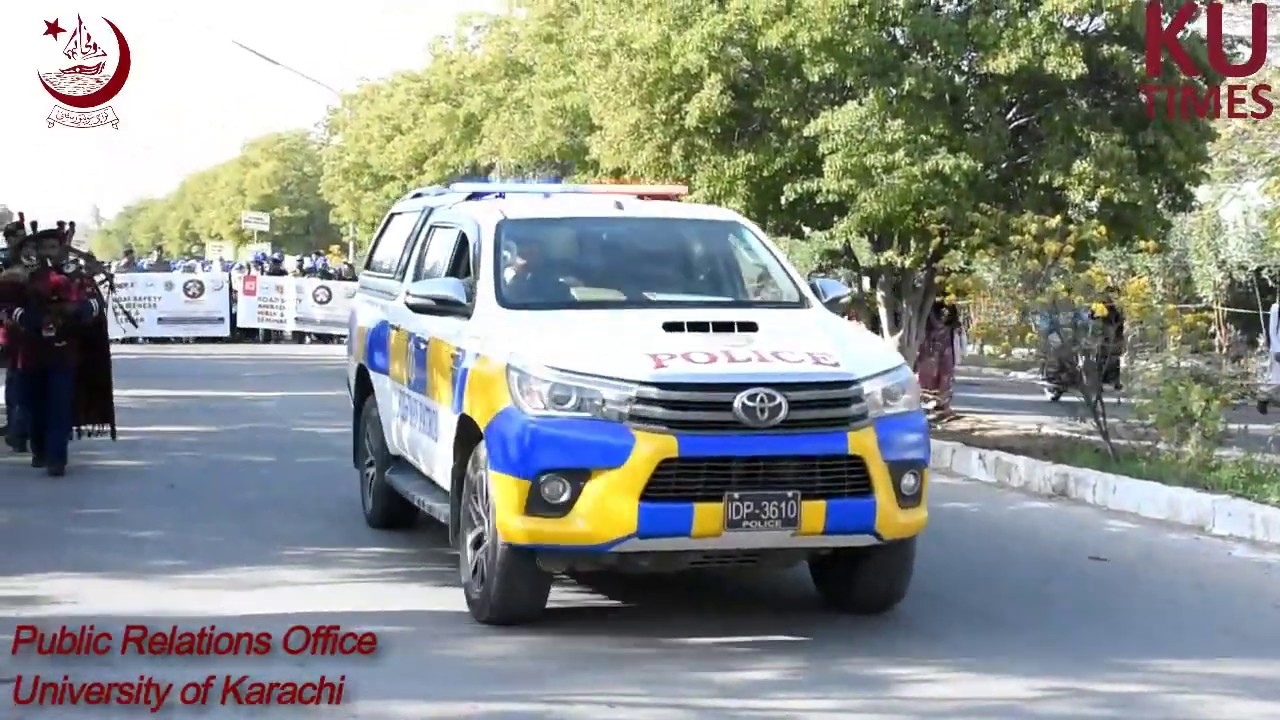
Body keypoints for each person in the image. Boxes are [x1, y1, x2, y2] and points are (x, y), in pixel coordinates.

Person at [0, 229, 109, 475]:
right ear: (35, 251)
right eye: (43, 248)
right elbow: (6, 307)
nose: (48, 253)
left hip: (64, 352)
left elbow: (95, 303)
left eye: (52, 247)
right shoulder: (18, 277)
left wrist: (75, 312)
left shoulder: (76, 276)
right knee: (33, 405)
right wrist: (31, 319)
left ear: (61, 249)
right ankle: (40, 449)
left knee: (59, 404)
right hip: (30, 353)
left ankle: (57, 458)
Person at [914, 300, 966, 419]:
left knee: (943, 376)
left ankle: (940, 405)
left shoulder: (945, 326)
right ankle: (931, 406)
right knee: (930, 377)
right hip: (931, 350)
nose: (944, 315)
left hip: (939, 349)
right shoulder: (930, 318)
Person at [1089, 287, 1125, 391]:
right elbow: (1092, 317)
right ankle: (1098, 382)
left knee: (1115, 359)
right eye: (1111, 294)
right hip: (1103, 335)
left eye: (1115, 295)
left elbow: (1121, 319)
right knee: (1101, 358)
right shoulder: (1100, 304)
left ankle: (1115, 380)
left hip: (1116, 335)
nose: (1113, 297)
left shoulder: (1119, 306)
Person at [1260, 301, 1280, 415]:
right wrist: (1277, 349)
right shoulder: (1276, 309)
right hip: (1278, 349)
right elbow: (1272, 331)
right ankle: (1263, 398)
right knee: (1276, 380)